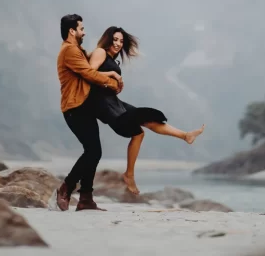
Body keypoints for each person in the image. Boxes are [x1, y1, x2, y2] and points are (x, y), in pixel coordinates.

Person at [87, 27, 205, 195]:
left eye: (121, 41)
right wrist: (113, 75)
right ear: (107, 39)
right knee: (145, 119)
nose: (118, 44)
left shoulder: (113, 59)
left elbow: (103, 80)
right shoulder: (100, 52)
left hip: (115, 103)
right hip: (107, 108)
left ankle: (185, 136)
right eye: (115, 39)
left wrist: (114, 84)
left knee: (145, 126)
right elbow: (88, 73)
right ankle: (129, 174)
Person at [53, 14, 123, 212]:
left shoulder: (76, 50)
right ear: (72, 31)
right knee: (93, 151)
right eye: (81, 29)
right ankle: (66, 188)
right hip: (74, 108)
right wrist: (112, 78)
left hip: (83, 106)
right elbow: (89, 74)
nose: (84, 32)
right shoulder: (69, 50)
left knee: (93, 151)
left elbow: (88, 72)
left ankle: (85, 199)